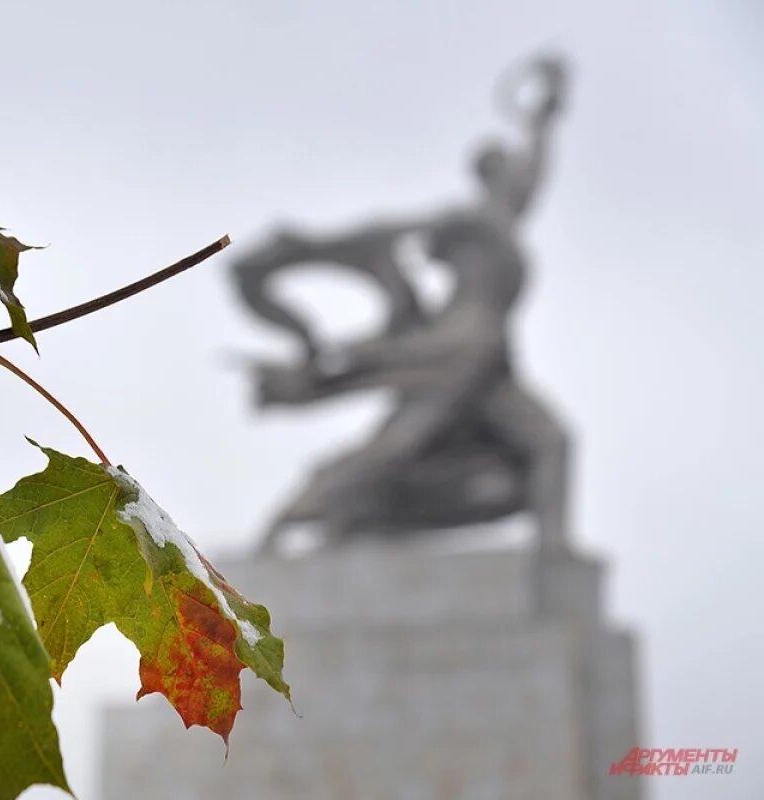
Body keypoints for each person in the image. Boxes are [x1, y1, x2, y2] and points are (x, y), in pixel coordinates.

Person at [233, 55, 572, 552]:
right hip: (454, 347)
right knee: (399, 445)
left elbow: (536, 170)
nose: (512, 174)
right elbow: (386, 233)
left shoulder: (504, 218)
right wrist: (309, 246)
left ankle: (553, 554)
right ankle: (295, 515)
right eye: (501, 165)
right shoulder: (464, 220)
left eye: (510, 165)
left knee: (551, 445)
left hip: (489, 354)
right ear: (485, 174)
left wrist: (544, 117)